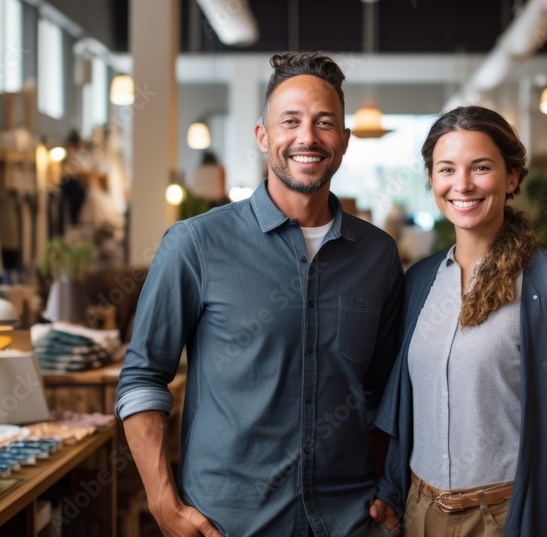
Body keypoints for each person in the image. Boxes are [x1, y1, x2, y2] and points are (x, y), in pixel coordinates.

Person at [116, 52, 403, 537]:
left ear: (345, 141)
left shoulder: (378, 254)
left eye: (324, 123)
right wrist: (164, 506)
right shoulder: (195, 244)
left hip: (350, 520)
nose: (307, 137)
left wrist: (386, 490)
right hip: (229, 521)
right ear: (263, 136)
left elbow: (381, 393)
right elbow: (143, 379)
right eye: (290, 121)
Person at [370, 106, 547, 536]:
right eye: (446, 169)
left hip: (508, 518)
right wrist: (392, 494)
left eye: (481, 167)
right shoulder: (419, 282)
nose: (462, 184)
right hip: (418, 514)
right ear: (432, 179)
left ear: (512, 178)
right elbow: (404, 411)